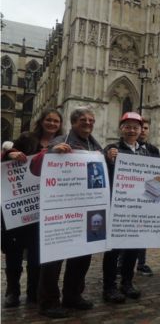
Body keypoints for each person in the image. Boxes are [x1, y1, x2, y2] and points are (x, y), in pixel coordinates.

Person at [38, 107, 101, 318]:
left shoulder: (94, 144)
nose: (88, 123)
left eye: (91, 120)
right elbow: (45, 162)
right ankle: (49, 302)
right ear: (74, 122)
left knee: (82, 255)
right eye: (83, 119)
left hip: (87, 209)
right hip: (62, 210)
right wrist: (54, 153)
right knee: (54, 258)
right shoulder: (60, 140)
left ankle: (73, 295)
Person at [1, 109, 63, 308]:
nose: (52, 123)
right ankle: (12, 291)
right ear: (41, 121)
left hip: (45, 207)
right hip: (21, 205)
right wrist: (12, 153)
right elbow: (5, 158)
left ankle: (33, 291)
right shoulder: (27, 138)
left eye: (56, 121)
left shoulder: (62, 144)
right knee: (14, 251)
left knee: (38, 253)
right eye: (49, 120)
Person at [101, 112, 148, 303]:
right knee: (112, 250)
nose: (132, 130)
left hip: (138, 207)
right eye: (128, 126)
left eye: (135, 127)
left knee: (133, 249)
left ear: (140, 130)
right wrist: (107, 158)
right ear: (121, 128)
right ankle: (109, 286)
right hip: (118, 207)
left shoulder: (146, 151)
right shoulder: (112, 149)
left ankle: (127, 282)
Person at [134, 117, 159, 277]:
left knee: (142, 232)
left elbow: (158, 173)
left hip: (146, 196)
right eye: (141, 127)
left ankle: (141, 263)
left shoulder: (153, 150)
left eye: (146, 128)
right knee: (125, 231)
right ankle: (121, 264)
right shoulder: (123, 148)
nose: (143, 130)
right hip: (128, 197)